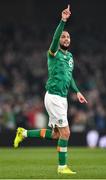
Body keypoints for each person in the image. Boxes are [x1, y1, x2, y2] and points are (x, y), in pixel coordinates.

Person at [14, 5, 87, 174]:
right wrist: (63, 21)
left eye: (68, 36)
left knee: (55, 135)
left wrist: (77, 91)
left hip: (63, 98)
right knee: (66, 133)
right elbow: (55, 39)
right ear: (59, 40)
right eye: (63, 36)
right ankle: (62, 167)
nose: (66, 38)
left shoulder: (70, 57)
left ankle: (23, 133)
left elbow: (70, 76)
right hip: (54, 97)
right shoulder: (53, 53)